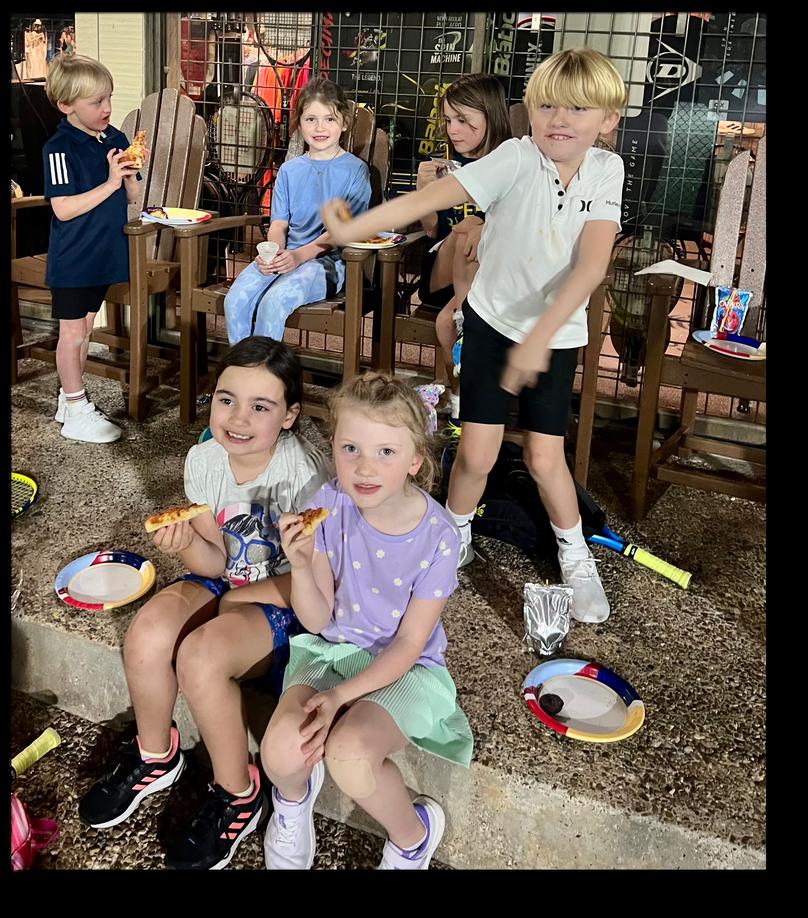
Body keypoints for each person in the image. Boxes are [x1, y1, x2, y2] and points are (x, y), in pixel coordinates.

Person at [322, 48, 626, 624]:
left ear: (608, 120)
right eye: (547, 106)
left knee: (545, 456)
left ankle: (575, 556)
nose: (559, 119)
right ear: (529, 112)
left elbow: (591, 264)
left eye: (579, 109)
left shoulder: (607, 170)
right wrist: (355, 225)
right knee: (477, 454)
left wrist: (538, 339)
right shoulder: (515, 157)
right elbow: (433, 198)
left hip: (556, 335)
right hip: (491, 322)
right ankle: (453, 538)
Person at [78, 336, 333, 870]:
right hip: (230, 582)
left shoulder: (307, 476)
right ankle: (155, 755)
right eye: (226, 399)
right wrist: (185, 546)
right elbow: (215, 561)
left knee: (200, 656)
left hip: (286, 598)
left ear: (289, 416)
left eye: (260, 407)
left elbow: (317, 581)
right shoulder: (203, 459)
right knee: (148, 632)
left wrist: (235, 599)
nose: (238, 419)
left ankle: (237, 794)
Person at [258, 372, 473, 870]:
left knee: (351, 756)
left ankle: (413, 837)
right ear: (332, 445)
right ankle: (293, 802)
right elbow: (317, 619)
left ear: (416, 460)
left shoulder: (439, 537)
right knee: (280, 752)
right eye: (350, 448)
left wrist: (339, 698)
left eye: (386, 452)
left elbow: (409, 643)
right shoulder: (326, 504)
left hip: (405, 668)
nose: (364, 467)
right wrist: (302, 564)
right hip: (330, 652)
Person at [223, 77, 372, 346]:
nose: (319, 128)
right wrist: (272, 255)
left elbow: (339, 233)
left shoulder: (356, 171)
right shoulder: (289, 171)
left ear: (344, 123)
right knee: (235, 300)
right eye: (310, 119)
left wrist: (298, 256)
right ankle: (243, 369)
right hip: (286, 255)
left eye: (329, 119)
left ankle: (265, 372)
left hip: (329, 263)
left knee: (273, 302)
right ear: (299, 124)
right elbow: (279, 224)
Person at [43, 53, 143, 443]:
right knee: (71, 333)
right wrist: (110, 182)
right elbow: (63, 209)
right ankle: (76, 407)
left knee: (85, 328)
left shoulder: (115, 138)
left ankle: (69, 403)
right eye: (96, 101)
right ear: (66, 105)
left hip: (105, 251)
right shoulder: (59, 148)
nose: (107, 108)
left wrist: (129, 174)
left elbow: (131, 196)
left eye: (109, 98)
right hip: (75, 256)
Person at [416, 74, 511, 419]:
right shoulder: (447, 165)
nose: (453, 130)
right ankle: (466, 314)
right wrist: (424, 192)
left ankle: (459, 407)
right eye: (448, 121)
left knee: (446, 324)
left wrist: (488, 227)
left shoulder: (511, 164)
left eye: (463, 120)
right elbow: (432, 229)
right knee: (464, 230)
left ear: (490, 116)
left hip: (491, 275)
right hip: (445, 269)